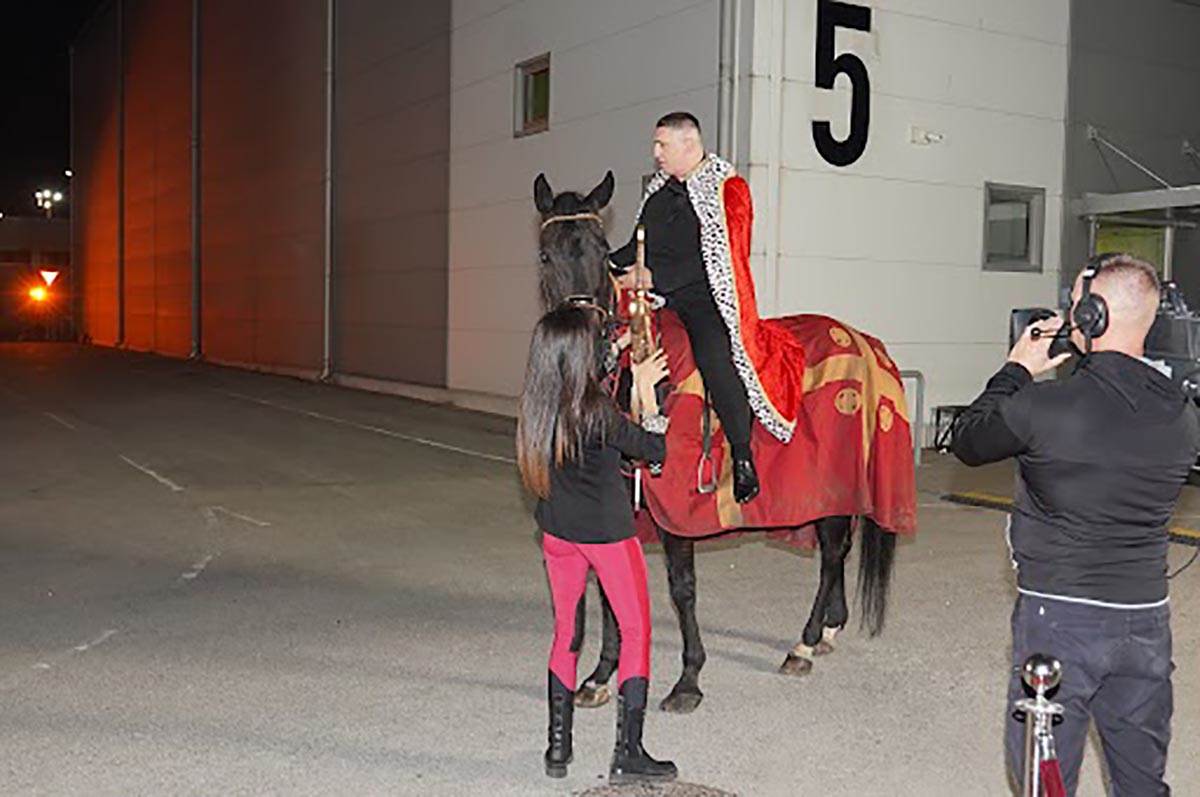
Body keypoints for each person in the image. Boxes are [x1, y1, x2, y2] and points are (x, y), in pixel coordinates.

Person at [951, 253, 1200, 795]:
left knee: (1046, 782)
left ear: (1092, 317)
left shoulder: (1047, 407)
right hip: (1146, 623)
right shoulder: (1183, 417)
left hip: (1059, 622)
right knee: (1142, 781)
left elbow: (969, 439)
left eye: (1075, 307)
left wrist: (1016, 369)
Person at [609, 112, 807, 504]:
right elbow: (636, 245)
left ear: (689, 144)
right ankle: (639, 446)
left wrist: (650, 278)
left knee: (715, 356)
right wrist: (605, 261)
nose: (656, 154)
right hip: (660, 296)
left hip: (703, 297)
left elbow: (716, 258)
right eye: (656, 145)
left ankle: (743, 455)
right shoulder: (658, 192)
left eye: (662, 145)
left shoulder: (727, 188)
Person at [516, 302, 677, 784]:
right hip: (607, 535)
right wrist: (646, 392)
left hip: (557, 532)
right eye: (600, 343)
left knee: (567, 633)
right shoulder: (600, 412)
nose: (608, 348)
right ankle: (629, 753)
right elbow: (654, 450)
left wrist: (624, 349)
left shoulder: (540, 403)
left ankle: (558, 749)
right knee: (637, 632)